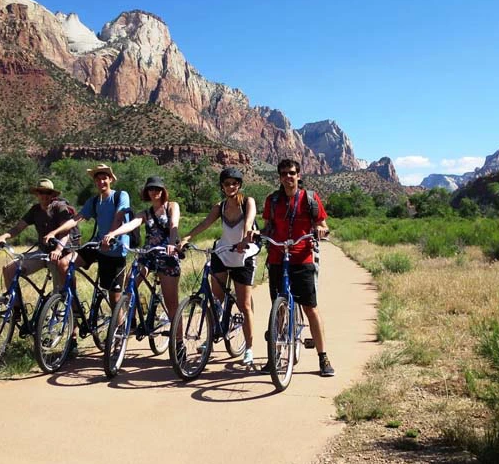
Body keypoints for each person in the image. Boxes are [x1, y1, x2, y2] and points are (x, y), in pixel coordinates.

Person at [262, 159, 335, 377]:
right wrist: (258, 234)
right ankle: (274, 355)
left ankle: (323, 357)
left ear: (298, 175)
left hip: (302, 258)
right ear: (279, 177)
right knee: (278, 309)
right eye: (284, 173)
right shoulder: (272, 200)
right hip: (277, 258)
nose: (288, 177)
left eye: (292, 173)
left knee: (310, 308)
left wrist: (321, 230)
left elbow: (322, 224)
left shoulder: (309, 199)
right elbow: (268, 226)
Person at [180, 167, 259, 365]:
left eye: (234, 183)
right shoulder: (220, 207)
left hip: (244, 254)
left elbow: (249, 222)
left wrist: (245, 238)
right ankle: (213, 334)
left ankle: (249, 348)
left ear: (239, 185)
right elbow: (205, 223)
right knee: (216, 299)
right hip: (223, 252)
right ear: (222, 186)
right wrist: (187, 237)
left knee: (244, 304)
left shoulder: (247, 202)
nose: (231, 186)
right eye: (227, 184)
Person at [44, 164, 131, 308]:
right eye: (98, 179)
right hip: (98, 245)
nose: (101, 182)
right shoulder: (94, 201)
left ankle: (120, 322)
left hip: (116, 250)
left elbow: (118, 217)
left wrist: (110, 236)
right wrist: (54, 232)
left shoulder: (120, 196)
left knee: (115, 300)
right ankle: (74, 306)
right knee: (64, 264)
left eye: (104, 178)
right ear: (95, 181)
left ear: (110, 179)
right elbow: (76, 219)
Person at [0, 178, 73, 327]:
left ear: (52, 195)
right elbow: (18, 228)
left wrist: (58, 249)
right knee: (9, 270)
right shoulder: (35, 210)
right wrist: (4, 236)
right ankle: (16, 309)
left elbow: (66, 232)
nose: (44, 196)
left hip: (59, 254)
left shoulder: (59, 208)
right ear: (37, 194)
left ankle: (65, 325)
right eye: (41, 192)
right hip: (42, 252)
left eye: (47, 193)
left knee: (60, 293)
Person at [103, 175, 182, 323]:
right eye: (151, 189)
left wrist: (172, 243)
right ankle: (132, 320)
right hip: (148, 253)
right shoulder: (145, 213)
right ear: (147, 192)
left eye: (158, 188)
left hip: (167, 254)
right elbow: (132, 224)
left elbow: (174, 224)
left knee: (171, 302)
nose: (154, 191)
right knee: (130, 281)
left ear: (163, 191)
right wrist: (113, 233)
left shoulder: (172, 206)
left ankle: (178, 336)